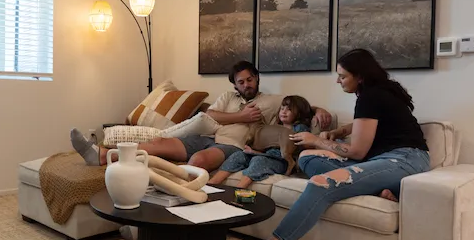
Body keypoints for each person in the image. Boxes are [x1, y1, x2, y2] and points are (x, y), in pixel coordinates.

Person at [226, 48, 431, 240]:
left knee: (319, 184)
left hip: (403, 159)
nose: (337, 80)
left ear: (360, 76)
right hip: (386, 160)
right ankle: (382, 189)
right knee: (306, 157)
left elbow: (356, 152)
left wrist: (316, 140)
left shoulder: (371, 96)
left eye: (342, 76)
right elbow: (371, 123)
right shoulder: (379, 92)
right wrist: (341, 130)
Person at [69, 60, 332, 173]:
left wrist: (319, 110)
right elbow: (210, 113)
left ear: (257, 79)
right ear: (235, 85)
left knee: (196, 161)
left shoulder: (271, 101)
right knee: (159, 145)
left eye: (250, 79)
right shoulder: (229, 99)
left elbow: (300, 106)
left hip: (232, 147)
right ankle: (103, 155)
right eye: (241, 82)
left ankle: (163, 208)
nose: (246, 85)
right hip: (208, 137)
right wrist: (241, 115)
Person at [208, 95, 314, 189]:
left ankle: (239, 189)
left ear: (299, 113)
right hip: (265, 155)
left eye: (289, 109)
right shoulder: (276, 126)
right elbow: (264, 147)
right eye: (282, 108)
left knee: (259, 161)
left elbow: (303, 145)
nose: (284, 111)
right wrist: (253, 151)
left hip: (280, 161)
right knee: (238, 155)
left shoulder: (299, 128)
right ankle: (212, 184)